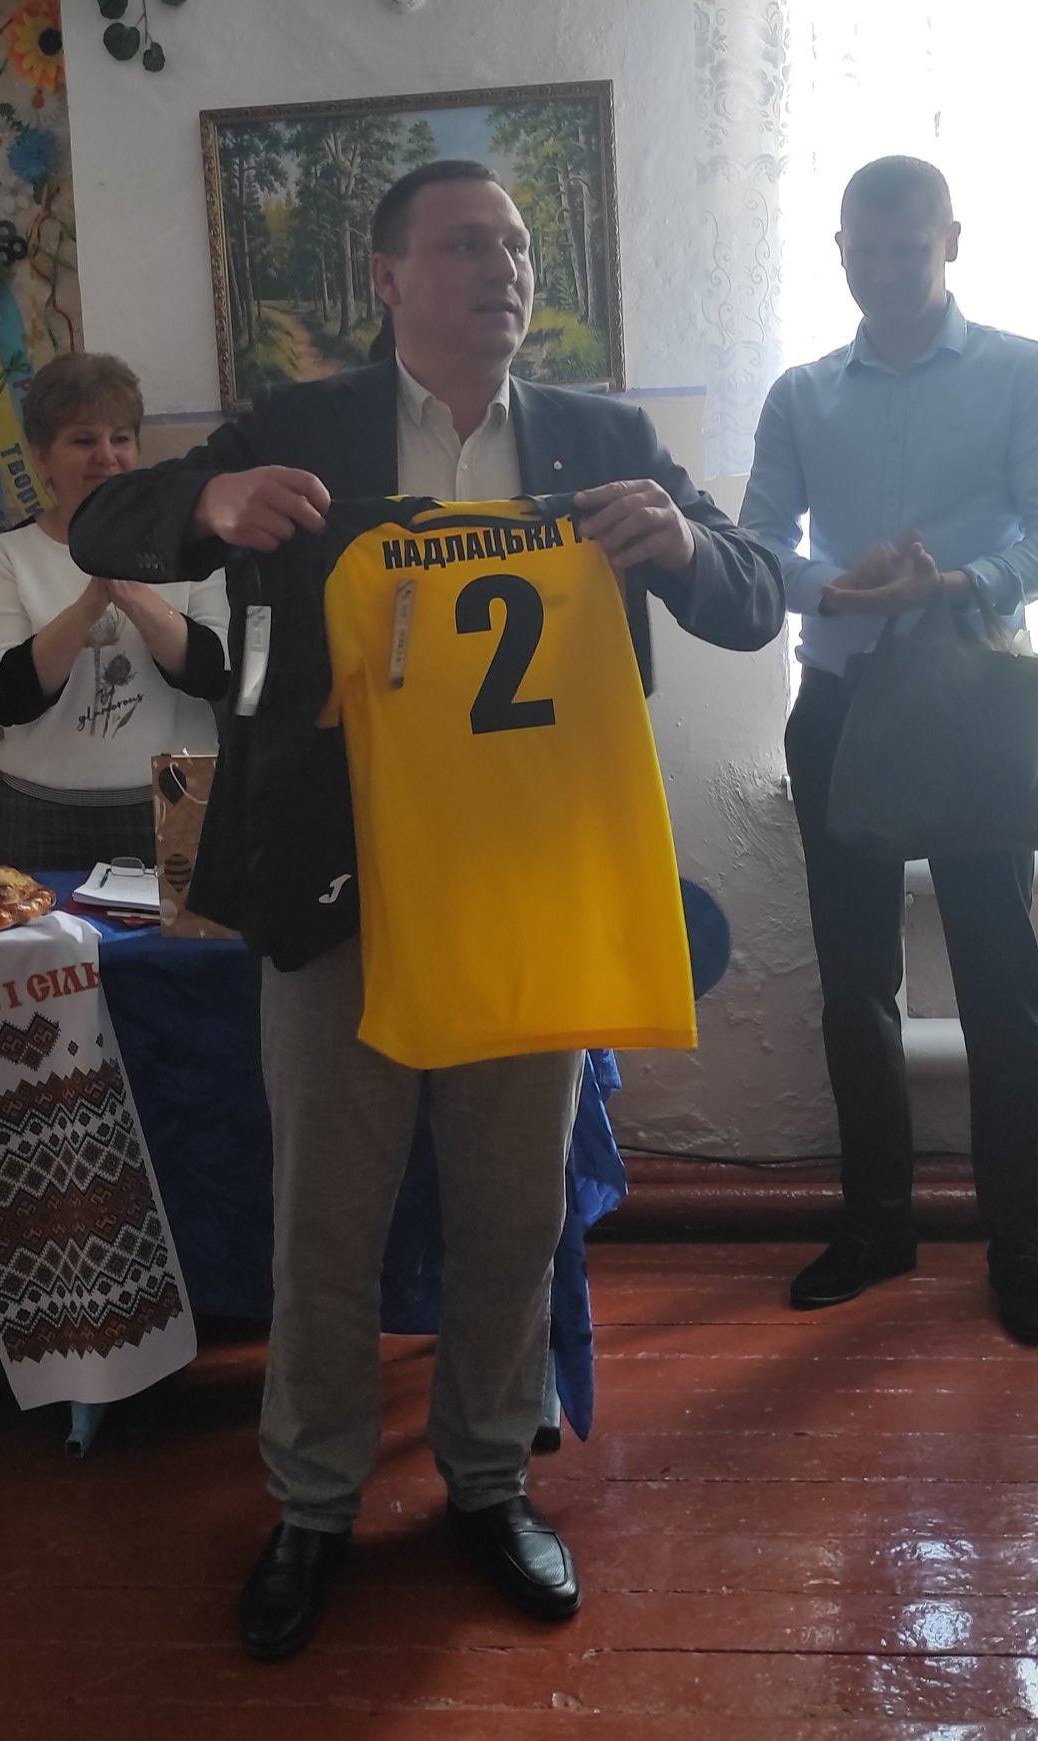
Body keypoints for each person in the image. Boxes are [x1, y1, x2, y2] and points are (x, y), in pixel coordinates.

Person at [71, 160, 784, 1657]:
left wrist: (684, 544)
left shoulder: (603, 439)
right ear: (388, 278)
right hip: (342, 890)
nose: (503, 267)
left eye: (516, 246)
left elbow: (754, 594)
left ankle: (488, 1480)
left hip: (528, 893)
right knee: (325, 1222)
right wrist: (208, 499)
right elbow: (106, 523)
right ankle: (313, 1503)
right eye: (467, 244)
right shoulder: (303, 423)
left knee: (513, 1214)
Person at [740, 156, 1038, 1337]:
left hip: (976, 704)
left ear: (952, 241)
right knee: (855, 978)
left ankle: (1024, 1244)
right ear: (839, 250)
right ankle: (877, 1225)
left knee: (1002, 985)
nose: (885, 271)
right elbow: (757, 542)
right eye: (864, 251)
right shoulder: (800, 393)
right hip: (842, 702)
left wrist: (954, 584)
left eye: (908, 249)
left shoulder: (1021, 371)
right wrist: (841, 586)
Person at [0, 352, 229, 870]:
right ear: (42, 457)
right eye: (83, 440)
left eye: (121, 439)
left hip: (180, 794)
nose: (107, 457)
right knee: (40, 929)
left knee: (188, 928)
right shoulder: (9, 555)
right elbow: (5, 696)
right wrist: (90, 602)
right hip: (43, 808)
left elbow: (215, 671)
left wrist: (131, 589)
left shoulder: (192, 547)